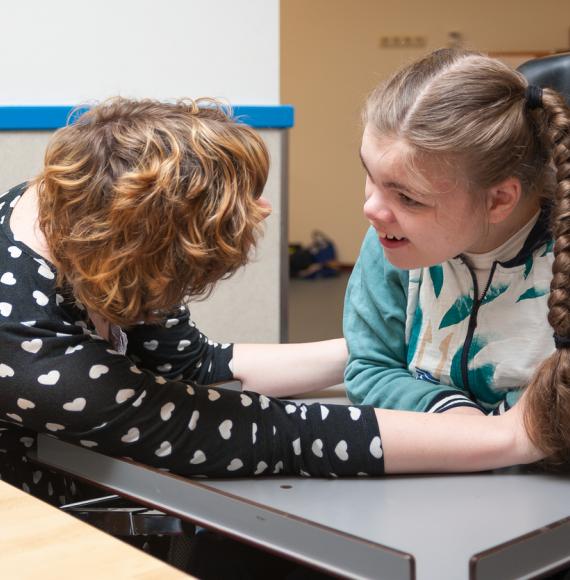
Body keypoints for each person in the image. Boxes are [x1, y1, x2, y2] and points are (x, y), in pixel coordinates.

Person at [0, 96, 540, 508]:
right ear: (148, 252)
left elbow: (193, 366)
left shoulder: (81, 209)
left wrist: (382, 351)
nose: (262, 208)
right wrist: (508, 437)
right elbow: (278, 435)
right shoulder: (34, 351)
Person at [344, 48, 570, 465]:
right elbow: (370, 368)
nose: (372, 210)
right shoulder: (392, 239)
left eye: (407, 197)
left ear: (499, 199)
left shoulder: (560, 261)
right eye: (370, 178)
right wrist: (460, 422)